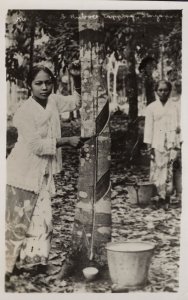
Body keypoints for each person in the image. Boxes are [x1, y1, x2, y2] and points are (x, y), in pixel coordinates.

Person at [6, 65, 81, 279]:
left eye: (48, 82)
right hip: (21, 170)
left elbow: (76, 101)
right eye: (38, 83)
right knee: (17, 219)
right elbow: (35, 146)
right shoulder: (23, 112)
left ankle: (36, 263)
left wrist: (76, 77)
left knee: (43, 217)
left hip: (43, 172)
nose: (44, 87)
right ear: (29, 85)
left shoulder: (55, 101)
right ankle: (9, 267)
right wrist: (67, 141)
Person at [144, 80, 181, 209]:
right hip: (156, 141)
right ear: (156, 91)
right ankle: (156, 197)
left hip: (171, 141)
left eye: (165, 90)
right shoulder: (151, 107)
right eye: (160, 90)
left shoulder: (175, 107)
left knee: (169, 169)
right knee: (156, 168)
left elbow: (177, 126)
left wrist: (176, 144)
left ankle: (166, 197)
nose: (163, 92)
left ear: (169, 91)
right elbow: (148, 127)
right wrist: (149, 145)